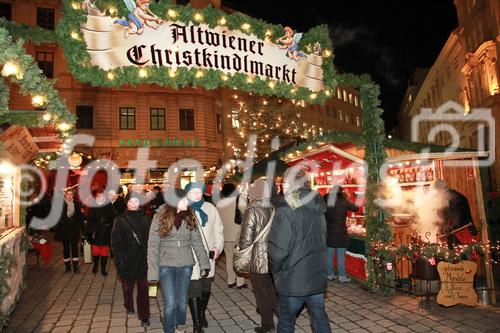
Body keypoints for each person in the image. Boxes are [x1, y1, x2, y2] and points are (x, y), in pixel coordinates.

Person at [268, 168, 331, 333]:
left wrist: (274, 271)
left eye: (284, 182)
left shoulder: (287, 210)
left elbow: (278, 251)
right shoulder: (318, 206)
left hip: (293, 278)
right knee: (320, 319)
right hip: (316, 274)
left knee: (286, 321)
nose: (282, 186)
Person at [148, 188, 211, 333]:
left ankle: (180, 329)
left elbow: (197, 242)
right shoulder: (159, 217)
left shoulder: (190, 216)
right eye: (183, 200)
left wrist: (204, 264)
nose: (187, 202)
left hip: (186, 265)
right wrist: (152, 272)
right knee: (170, 303)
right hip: (166, 265)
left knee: (182, 302)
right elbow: (152, 245)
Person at [238, 179, 277, 333]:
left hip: (257, 256)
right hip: (273, 254)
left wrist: (240, 250)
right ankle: (282, 311)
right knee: (269, 286)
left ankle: (267, 324)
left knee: (260, 290)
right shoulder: (274, 207)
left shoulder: (252, 209)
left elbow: (246, 238)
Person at [185, 182, 224, 332]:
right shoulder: (183, 209)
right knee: (194, 289)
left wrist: (218, 247)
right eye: (193, 191)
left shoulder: (210, 208)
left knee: (205, 288)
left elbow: (218, 230)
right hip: (190, 257)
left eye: (199, 191)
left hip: (208, 256)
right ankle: (197, 325)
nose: (197, 194)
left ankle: (201, 313)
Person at [111, 194, 152, 327]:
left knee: (143, 289)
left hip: (143, 260)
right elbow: (116, 242)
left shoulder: (146, 218)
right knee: (128, 287)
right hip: (127, 260)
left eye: (136, 200)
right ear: (126, 203)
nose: (134, 202)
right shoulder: (120, 219)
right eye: (131, 200)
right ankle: (128, 304)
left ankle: (144, 316)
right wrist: (119, 260)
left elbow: (152, 239)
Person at [323, 185, 358, 283]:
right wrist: (348, 197)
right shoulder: (344, 200)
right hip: (340, 231)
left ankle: (330, 274)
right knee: (340, 256)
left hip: (329, 230)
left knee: (329, 255)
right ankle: (342, 276)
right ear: (342, 191)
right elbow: (355, 208)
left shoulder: (326, 199)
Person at [216, 183, 246, 289]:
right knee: (238, 259)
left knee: (228, 258)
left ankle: (230, 280)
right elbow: (246, 214)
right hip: (237, 235)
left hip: (225, 235)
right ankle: (240, 282)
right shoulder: (239, 201)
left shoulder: (219, 203)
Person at [434, 179, 478, 247]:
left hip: (462, 234)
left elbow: (458, 219)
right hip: (455, 234)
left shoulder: (457, 198)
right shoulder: (448, 197)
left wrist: (448, 228)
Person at [55, 189, 85, 273]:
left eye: (71, 194)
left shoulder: (76, 204)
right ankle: (67, 267)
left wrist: (83, 228)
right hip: (64, 229)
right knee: (66, 248)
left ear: (73, 195)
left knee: (75, 248)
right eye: (68, 194)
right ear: (65, 195)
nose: (69, 196)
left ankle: (75, 267)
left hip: (74, 229)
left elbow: (79, 217)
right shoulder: (61, 204)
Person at [86, 191, 115, 276]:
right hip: (95, 231)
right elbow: (89, 220)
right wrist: (88, 232)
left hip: (106, 231)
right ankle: (95, 264)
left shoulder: (108, 205)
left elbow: (114, 217)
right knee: (95, 251)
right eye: (99, 197)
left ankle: (103, 268)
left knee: (105, 251)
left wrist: (108, 223)